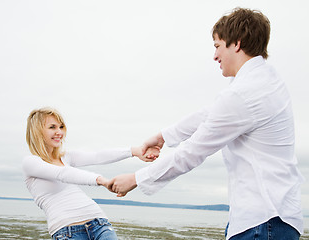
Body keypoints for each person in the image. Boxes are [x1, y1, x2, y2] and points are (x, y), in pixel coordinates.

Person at [109, 7, 304, 240]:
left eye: (217, 46)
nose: (214, 56)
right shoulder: (266, 80)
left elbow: (193, 152)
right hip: (274, 219)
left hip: (262, 224)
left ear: (237, 44)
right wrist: (163, 136)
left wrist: (136, 179)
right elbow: (210, 113)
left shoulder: (244, 94)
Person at [22, 107, 159, 240]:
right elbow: (62, 173)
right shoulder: (31, 163)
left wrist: (135, 151)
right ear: (37, 131)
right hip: (66, 230)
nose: (59, 132)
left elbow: (98, 156)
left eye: (61, 127)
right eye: (52, 127)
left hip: (99, 223)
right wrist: (101, 180)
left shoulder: (66, 157)